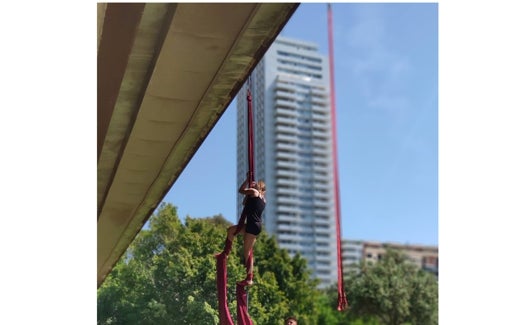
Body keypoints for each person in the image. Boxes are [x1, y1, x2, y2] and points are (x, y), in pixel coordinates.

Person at [215, 173, 266, 286]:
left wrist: (248, 180)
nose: (254, 185)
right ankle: (226, 253)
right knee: (231, 230)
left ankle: (249, 278)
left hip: (253, 226)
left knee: (247, 252)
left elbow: (241, 190)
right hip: (252, 225)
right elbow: (245, 203)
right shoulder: (262, 199)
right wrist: (250, 188)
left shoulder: (255, 193)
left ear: (259, 187)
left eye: (256, 184)